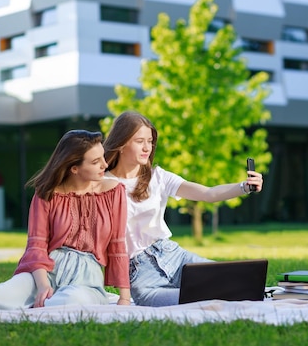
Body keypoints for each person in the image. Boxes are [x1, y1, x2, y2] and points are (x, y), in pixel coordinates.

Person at [0, 130, 131, 310]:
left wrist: (124, 298)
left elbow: (117, 245)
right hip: (46, 270)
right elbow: (36, 246)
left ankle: (39, 306)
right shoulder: (46, 194)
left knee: (70, 302)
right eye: (95, 162)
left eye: (102, 157)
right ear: (74, 168)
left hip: (86, 277)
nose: (105, 164)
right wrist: (43, 286)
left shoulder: (114, 192)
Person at [103, 111, 263, 307]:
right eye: (139, 141)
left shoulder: (158, 177)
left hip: (174, 257)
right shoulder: (102, 184)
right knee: (197, 301)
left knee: (237, 283)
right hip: (141, 277)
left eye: (150, 141)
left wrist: (244, 186)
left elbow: (208, 194)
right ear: (121, 143)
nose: (147, 148)